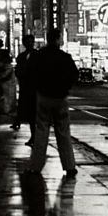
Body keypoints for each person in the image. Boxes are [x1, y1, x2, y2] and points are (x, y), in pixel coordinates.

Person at [24, 28, 78, 176]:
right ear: (58, 39)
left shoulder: (38, 56)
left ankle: (35, 166)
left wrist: (38, 87)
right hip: (60, 97)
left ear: (47, 39)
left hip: (43, 96)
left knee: (41, 131)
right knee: (63, 131)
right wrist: (65, 88)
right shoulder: (65, 57)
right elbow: (74, 75)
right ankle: (69, 166)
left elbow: (29, 74)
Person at [14, 33, 38, 145]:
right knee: (30, 115)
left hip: (36, 89)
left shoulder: (38, 55)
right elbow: (18, 72)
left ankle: (36, 136)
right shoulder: (21, 57)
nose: (30, 44)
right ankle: (34, 136)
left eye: (31, 42)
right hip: (26, 89)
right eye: (27, 42)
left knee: (36, 115)